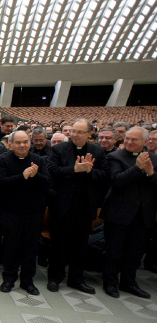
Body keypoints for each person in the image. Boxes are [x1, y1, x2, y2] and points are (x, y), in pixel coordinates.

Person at [46, 119, 108, 294]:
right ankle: (55, 277)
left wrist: (89, 171)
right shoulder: (58, 149)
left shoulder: (98, 151)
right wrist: (74, 169)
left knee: (80, 245)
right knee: (58, 243)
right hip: (62, 204)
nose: (75, 134)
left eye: (80, 132)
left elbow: (104, 176)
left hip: (85, 205)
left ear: (89, 134)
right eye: (73, 131)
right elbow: (52, 171)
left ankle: (76, 278)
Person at [100, 127, 157, 299]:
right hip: (118, 213)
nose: (129, 142)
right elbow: (117, 180)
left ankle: (129, 282)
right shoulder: (115, 157)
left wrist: (151, 173)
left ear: (145, 142)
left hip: (143, 214)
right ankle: (110, 283)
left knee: (135, 251)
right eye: (127, 139)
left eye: (134, 140)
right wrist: (137, 168)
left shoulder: (154, 159)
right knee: (114, 250)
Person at [0, 131, 51, 295]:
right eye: (18, 142)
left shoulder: (39, 160)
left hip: (34, 212)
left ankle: (27, 281)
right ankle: (9, 279)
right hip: (11, 211)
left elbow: (48, 183)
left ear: (30, 143)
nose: (22, 145)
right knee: (11, 246)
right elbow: (0, 184)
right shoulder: (3, 160)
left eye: (25, 142)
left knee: (31, 247)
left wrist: (35, 176)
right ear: (11, 144)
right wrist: (22, 176)